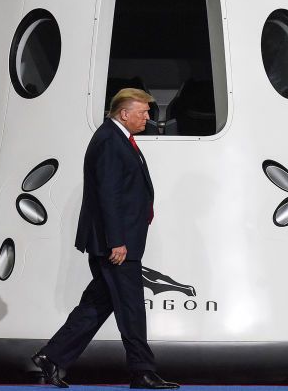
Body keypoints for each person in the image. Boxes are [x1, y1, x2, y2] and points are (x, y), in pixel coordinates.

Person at [32, 88, 178, 389]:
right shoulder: (110, 141)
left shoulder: (115, 138)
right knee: (132, 307)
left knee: (97, 305)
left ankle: (51, 357)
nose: (148, 117)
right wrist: (117, 241)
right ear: (124, 113)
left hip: (120, 240)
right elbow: (108, 196)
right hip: (117, 244)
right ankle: (142, 372)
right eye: (143, 112)